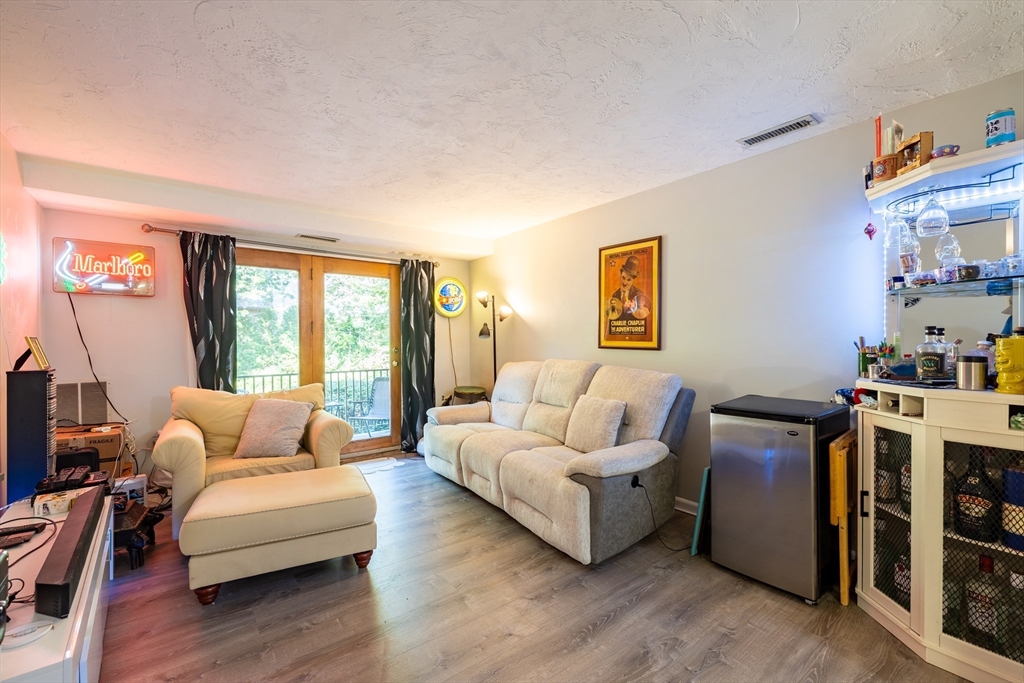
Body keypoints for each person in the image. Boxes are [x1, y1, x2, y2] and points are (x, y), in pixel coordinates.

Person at [607, 255, 650, 337]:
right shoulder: (615, 295)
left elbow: (642, 322)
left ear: (633, 280)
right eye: (623, 278)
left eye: (628, 280)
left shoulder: (639, 295)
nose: (624, 282)